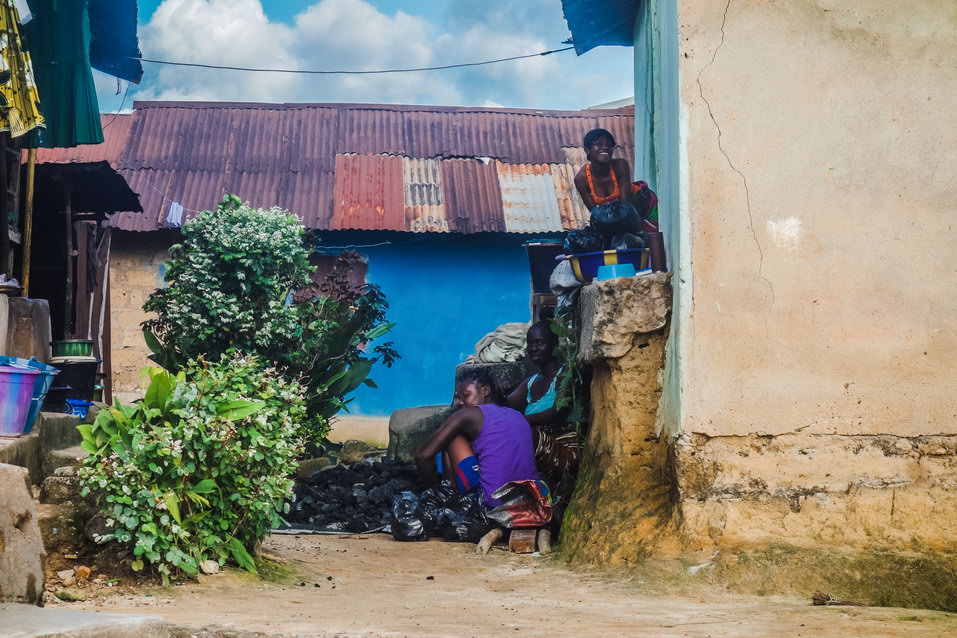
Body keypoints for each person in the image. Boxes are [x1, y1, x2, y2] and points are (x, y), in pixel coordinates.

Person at [414, 369, 540, 509]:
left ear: (485, 390)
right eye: (458, 397)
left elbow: (422, 456)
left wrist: (434, 494)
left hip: (491, 504)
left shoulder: (468, 415)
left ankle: (450, 501)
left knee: (451, 437)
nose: (460, 402)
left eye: (465, 395)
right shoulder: (517, 416)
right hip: (530, 502)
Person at [507, 316, 581, 486]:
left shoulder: (567, 372)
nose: (533, 348)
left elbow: (556, 411)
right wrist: (497, 393)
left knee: (518, 431)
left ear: (554, 344)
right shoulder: (531, 382)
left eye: (540, 343)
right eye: (530, 343)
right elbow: (504, 407)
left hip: (564, 451)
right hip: (535, 445)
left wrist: (519, 421)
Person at [573, 128, 659, 229]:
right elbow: (596, 215)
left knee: (651, 239)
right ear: (587, 150)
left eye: (609, 145)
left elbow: (625, 207)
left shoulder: (620, 165)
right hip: (620, 216)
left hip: (643, 207)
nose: (605, 147)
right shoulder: (581, 179)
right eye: (599, 144)